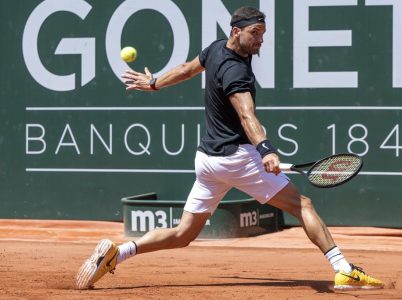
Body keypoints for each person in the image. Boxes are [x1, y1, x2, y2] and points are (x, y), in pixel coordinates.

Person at [76, 6, 383, 290]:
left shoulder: (214, 49)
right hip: (237, 158)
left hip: (208, 160)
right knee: (302, 205)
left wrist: (155, 82)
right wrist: (266, 150)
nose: (261, 40)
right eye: (255, 33)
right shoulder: (238, 73)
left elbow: (186, 69)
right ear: (237, 31)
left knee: (184, 234)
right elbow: (247, 114)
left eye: (263, 33)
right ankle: (343, 268)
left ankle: (118, 253)